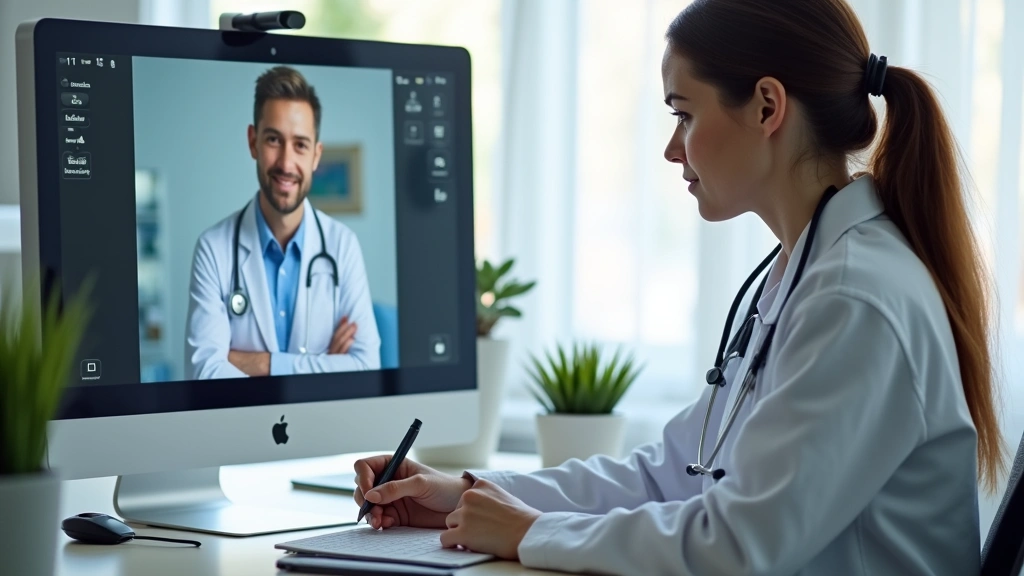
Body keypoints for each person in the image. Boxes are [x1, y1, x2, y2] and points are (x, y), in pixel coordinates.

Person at [351, 0, 1006, 574]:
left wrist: (533, 534)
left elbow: (741, 546)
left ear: (768, 107)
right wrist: (469, 490)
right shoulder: (804, 271)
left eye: (684, 114)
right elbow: (668, 475)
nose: (672, 148)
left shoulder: (856, 296)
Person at [185, 66, 380, 379]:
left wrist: (261, 364)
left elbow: (365, 367)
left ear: (316, 156)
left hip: (323, 428)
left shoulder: (342, 245)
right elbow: (204, 372)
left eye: (300, 144)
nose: (286, 163)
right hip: (240, 428)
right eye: (274, 140)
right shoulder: (214, 248)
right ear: (253, 142)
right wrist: (325, 366)